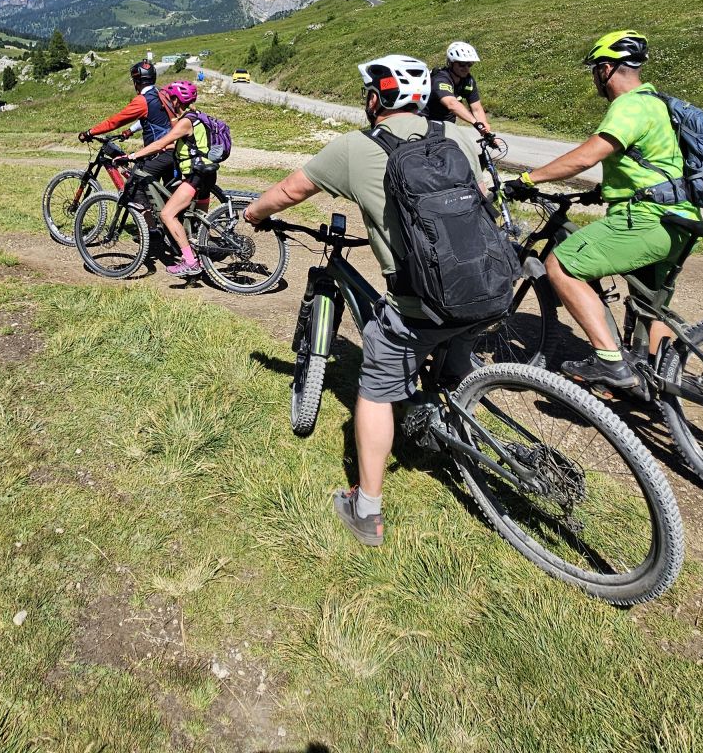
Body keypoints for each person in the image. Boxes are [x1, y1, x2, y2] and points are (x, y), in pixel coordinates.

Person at [244, 55, 488, 547]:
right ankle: (455, 416)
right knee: (455, 350)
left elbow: (290, 190)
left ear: (376, 99)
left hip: (421, 304)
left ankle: (366, 511)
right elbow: (481, 195)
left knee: (376, 388)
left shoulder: (358, 147)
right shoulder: (457, 136)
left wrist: (252, 214)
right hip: (485, 284)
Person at [501, 30, 698, 391]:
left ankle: (611, 363)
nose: (595, 77)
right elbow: (651, 163)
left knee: (560, 265)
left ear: (606, 69)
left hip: (648, 219)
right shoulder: (658, 103)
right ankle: (655, 382)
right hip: (680, 220)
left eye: (595, 69)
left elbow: (587, 156)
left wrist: (527, 179)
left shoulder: (628, 105)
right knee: (650, 305)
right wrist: (604, 192)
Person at [113, 80, 216, 277]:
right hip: (207, 173)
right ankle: (201, 253)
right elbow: (178, 144)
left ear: (177, 100)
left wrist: (133, 156)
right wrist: (159, 149)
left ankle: (190, 262)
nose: (169, 101)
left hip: (196, 176)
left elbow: (161, 142)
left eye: (171, 98)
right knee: (198, 223)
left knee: (167, 214)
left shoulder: (185, 122)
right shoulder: (198, 117)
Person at [78, 60, 174, 180]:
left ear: (136, 82)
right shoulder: (159, 93)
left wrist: (89, 133)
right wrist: (130, 130)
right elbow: (152, 119)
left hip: (157, 153)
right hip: (170, 149)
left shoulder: (142, 100)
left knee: (135, 185)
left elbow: (114, 122)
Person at [428, 41, 493, 139]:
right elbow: (452, 104)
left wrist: (487, 132)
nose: (466, 68)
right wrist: (475, 123)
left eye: (469, 64)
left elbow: (476, 109)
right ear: (451, 63)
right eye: (462, 64)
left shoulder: (468, 81)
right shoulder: (441, 79)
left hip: (448, 126)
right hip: (427, 124)